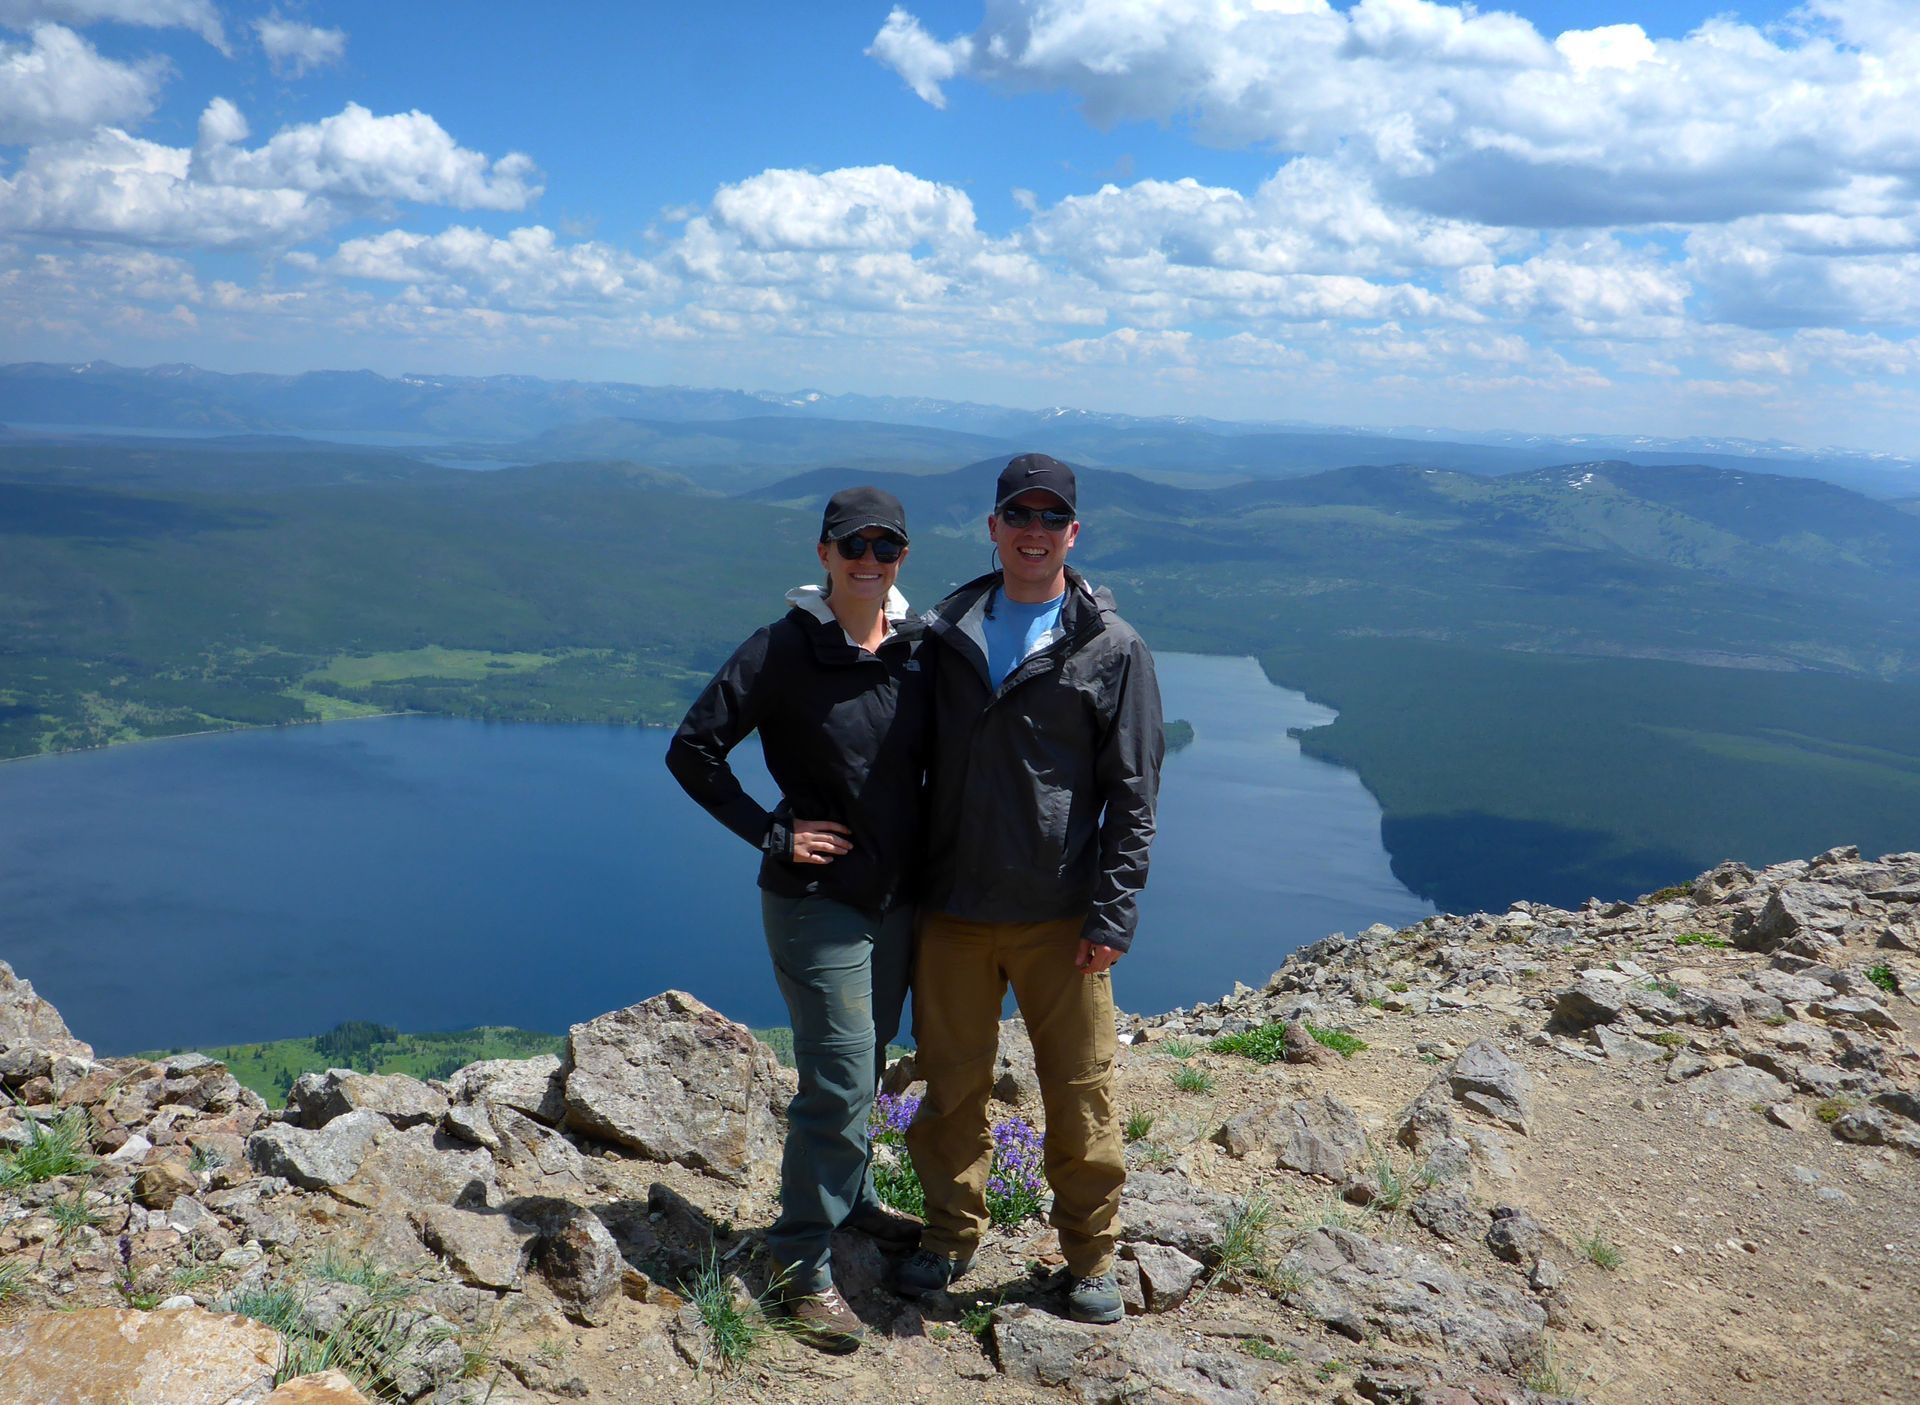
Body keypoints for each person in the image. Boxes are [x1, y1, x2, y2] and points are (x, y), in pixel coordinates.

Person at [895, 453, 1163, 1324]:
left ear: (1072, 534)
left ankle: (1090, 1255)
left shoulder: (1112, 649)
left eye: (1052, 519)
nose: (1035, 532)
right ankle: (945, 1237)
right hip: (955, 910)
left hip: (1062, 918)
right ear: (995, 527)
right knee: (951, 1087)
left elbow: (1134, 793)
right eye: (1022, 515)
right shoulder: (944, 636)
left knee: (1080, 1088)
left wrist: (1113, 911)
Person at [665, 486, 929, 1353]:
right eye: (853, 543)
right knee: (842, 1075)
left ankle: (848, 1200)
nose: (869, 558)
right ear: (823, 553)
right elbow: (693, 747)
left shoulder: (919, 649)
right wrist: (772, 829)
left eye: (886, 546)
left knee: (867, 1056)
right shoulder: (783, 648)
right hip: (815, 903)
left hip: (892, 901)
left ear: (900, 558)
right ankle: (798, 1262)